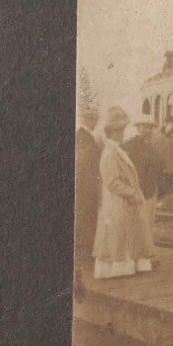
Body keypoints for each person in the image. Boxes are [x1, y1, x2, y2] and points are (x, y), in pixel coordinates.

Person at [91, 106, 152, 279]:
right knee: (118, 238)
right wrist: (131, 192)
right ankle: (118, 267)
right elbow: (112, 182)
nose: (123, 134)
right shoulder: (110, 152)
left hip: (122, 203)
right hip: (117, 203)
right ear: (114, 133)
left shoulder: (116, 150)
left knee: (124, 236)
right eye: (120, 131)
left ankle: (125, 266)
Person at [122, 107, 165, 265]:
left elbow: (160, 164)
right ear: (138, 127)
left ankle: (144, 257)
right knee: (140, 225)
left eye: (151, 127)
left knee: (147, 224)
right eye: (146, 127)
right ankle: (138, 258)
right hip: (141, 191)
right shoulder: (132, 145)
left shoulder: (149, 145)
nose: (149, 130)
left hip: (151, 190)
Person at [73, 102, 102, 281]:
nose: (96, 121)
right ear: (87, 119)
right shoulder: (82, 136)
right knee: (86, 220)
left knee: (89, 219)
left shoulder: (87, 136)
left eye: (96, 118)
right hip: (86, 187)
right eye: (94, 118)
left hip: (89, 185)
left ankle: (87, 256)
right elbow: (82, 163)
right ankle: (85, 258)